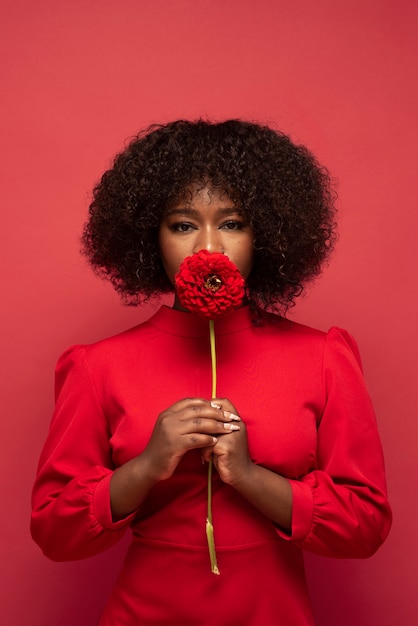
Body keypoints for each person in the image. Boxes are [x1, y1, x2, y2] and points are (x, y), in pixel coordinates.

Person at [31, 119, 392, 625]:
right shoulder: (96, 366)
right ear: (147, 237)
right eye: (182, 224)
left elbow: (365, 527)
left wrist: (248, 477)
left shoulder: (323, 356)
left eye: (232, 223)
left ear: (265, 232)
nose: (208, 248)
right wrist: (149, 464)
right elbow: (55, 534)